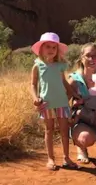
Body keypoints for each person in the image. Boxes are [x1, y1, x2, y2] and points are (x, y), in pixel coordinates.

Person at [30, 32, 80, 170]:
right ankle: (50, 159)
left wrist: (74, 94)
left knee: (64, 131)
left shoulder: (60, 66)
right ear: (41, 48)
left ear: (57, 50)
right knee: (49, 130)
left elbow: (64, 82)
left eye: (54, 47)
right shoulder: (37, 65)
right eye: (48, 47)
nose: (51, 50)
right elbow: (33, 84)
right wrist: (35, 98)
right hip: (47, 104)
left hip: (62, 103)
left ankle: (66, 158)